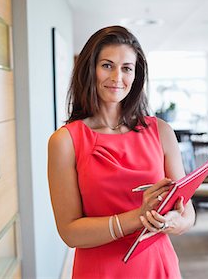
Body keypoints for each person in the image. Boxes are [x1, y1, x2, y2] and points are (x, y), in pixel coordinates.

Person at [48, 25, 195, 278]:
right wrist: (139, 217)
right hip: (100, 269)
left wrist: (171, 222)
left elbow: (188, 212)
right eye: (107, 65)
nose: (117, 77)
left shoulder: (161, 131)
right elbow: (69, 232)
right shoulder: (65, 141)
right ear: (89, 69)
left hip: (158, 265)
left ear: (136, 76)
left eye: (127, 68)